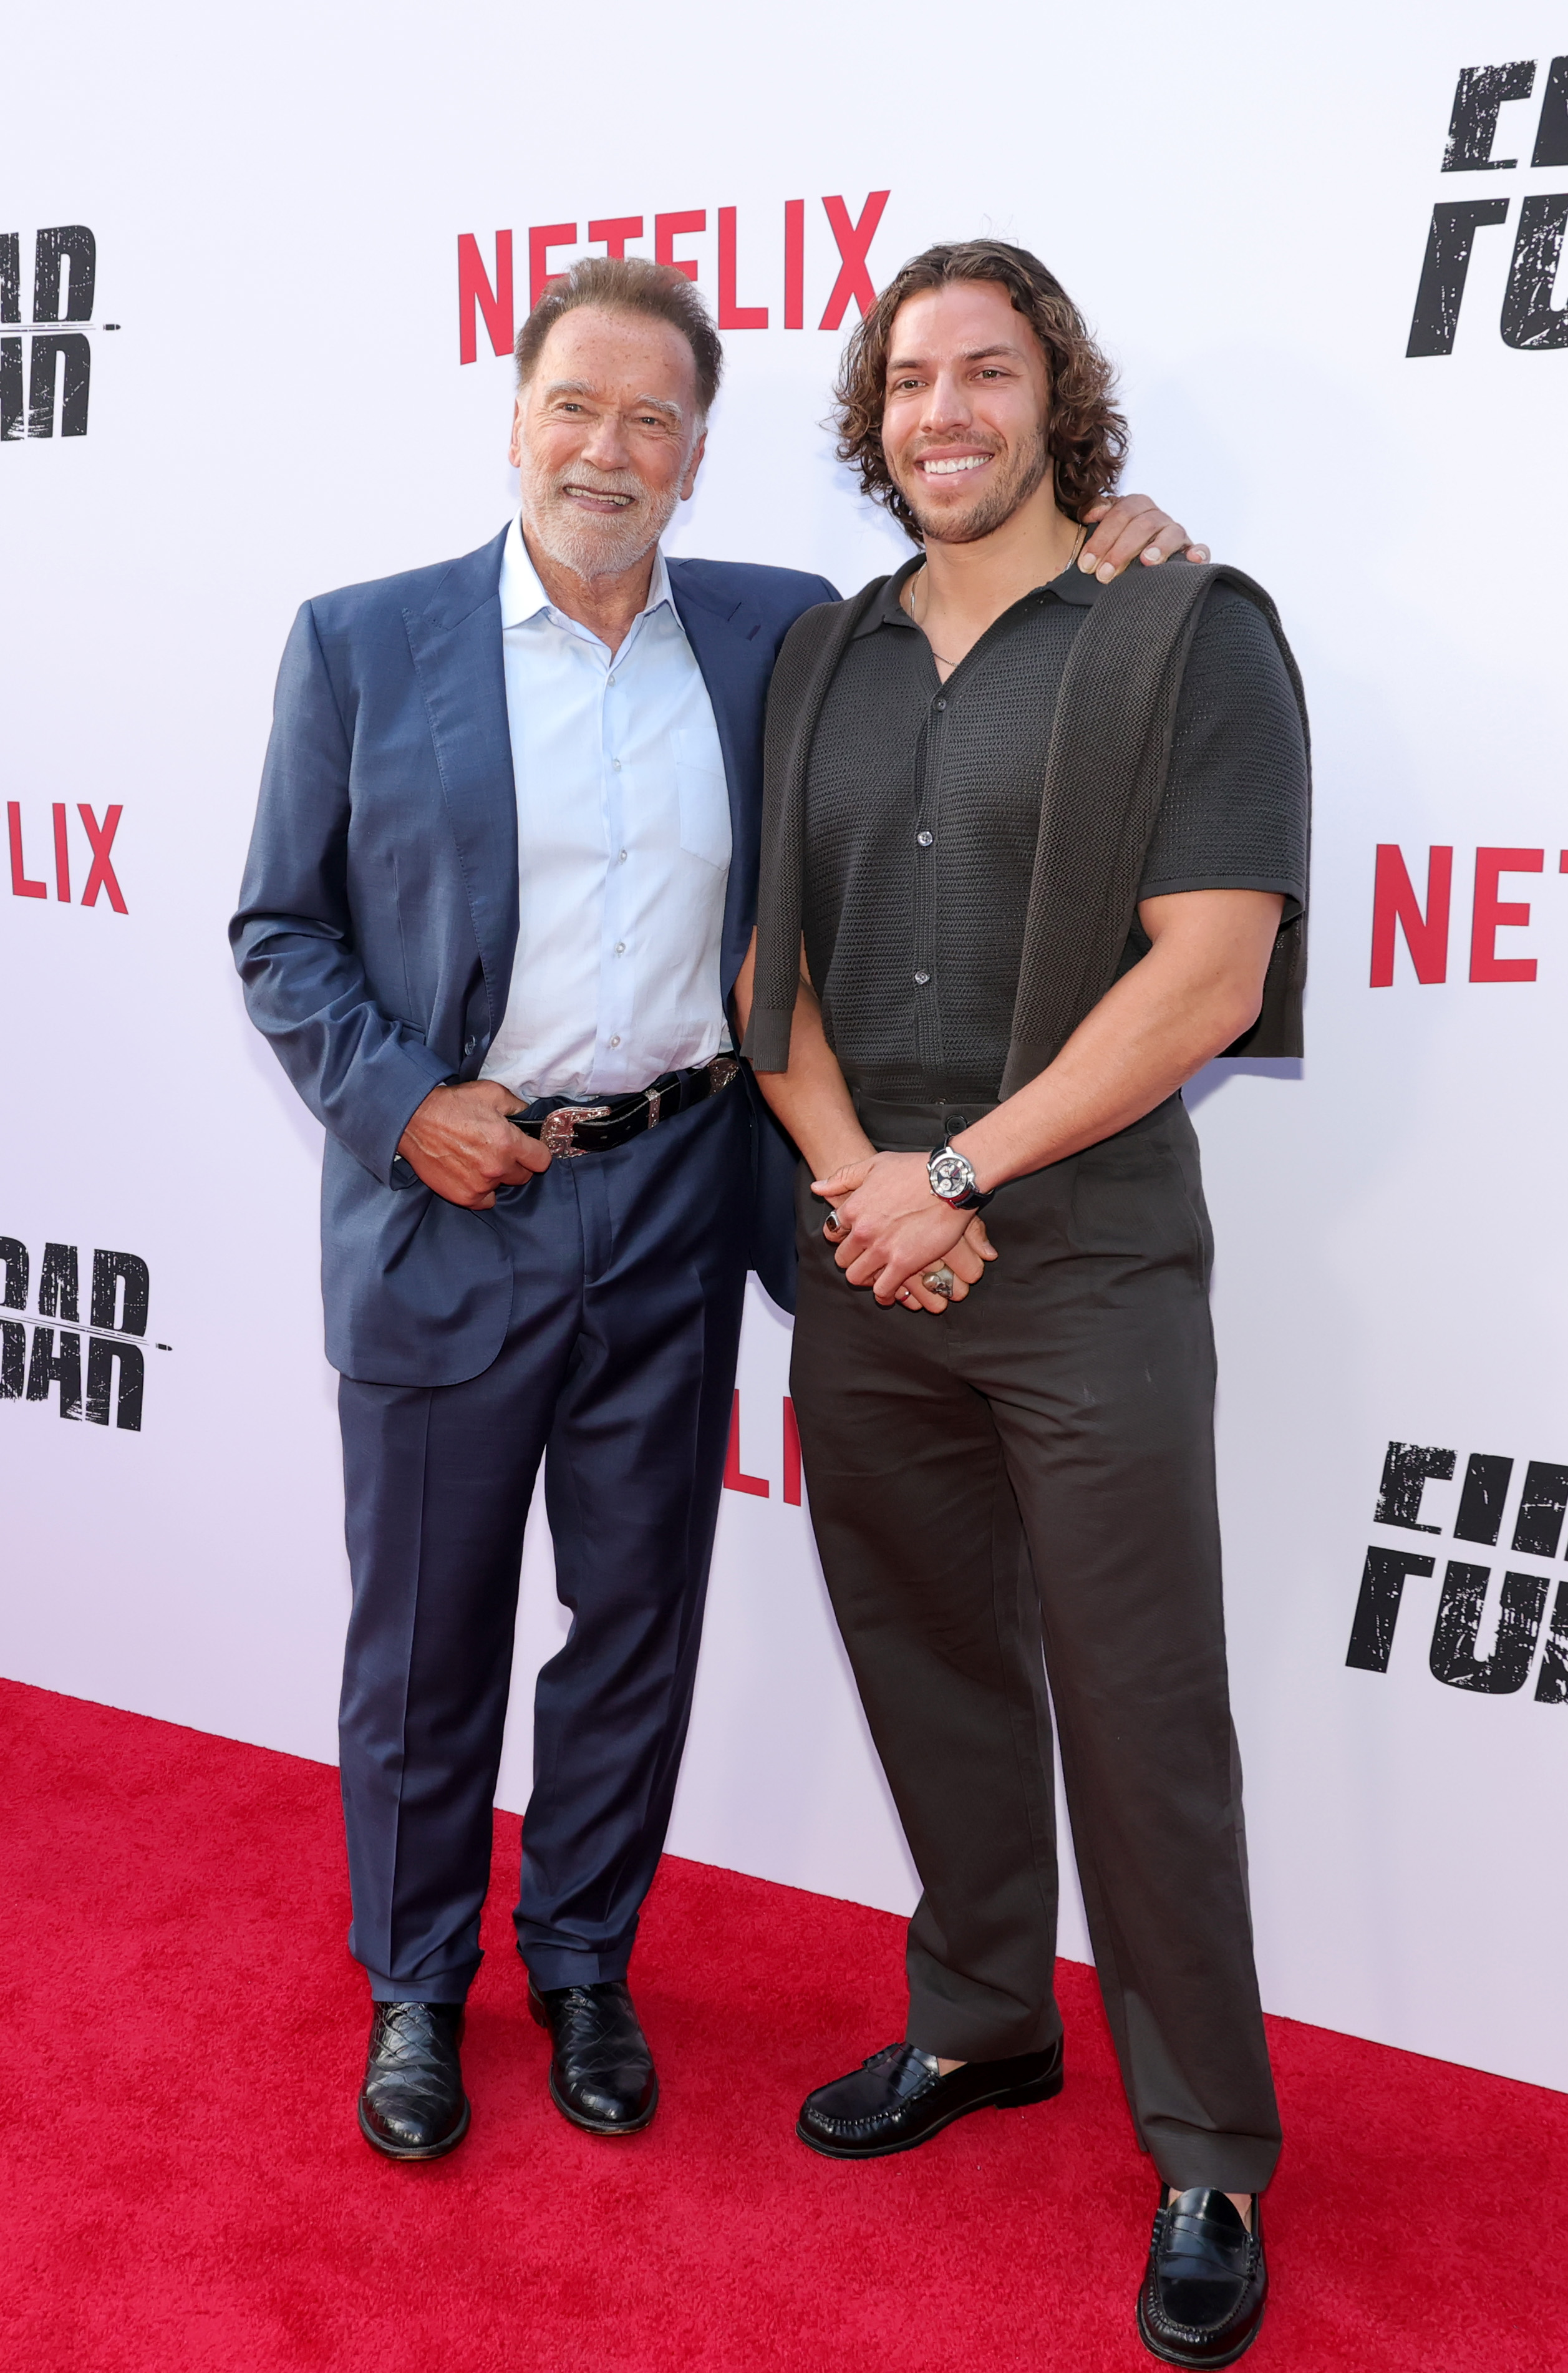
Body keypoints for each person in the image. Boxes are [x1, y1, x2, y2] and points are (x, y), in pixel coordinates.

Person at [231, 254, 1199, 2162]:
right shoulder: (359, 642)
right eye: (574, 408)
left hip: (674, 1200)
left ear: (695, 456)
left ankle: (583, 1963)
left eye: (652, 419)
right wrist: (400, 1102)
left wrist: (1124, 534)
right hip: (448, 1207)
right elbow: (279, 926)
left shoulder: (777, 634)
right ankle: (416, 1988)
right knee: (428, 1636)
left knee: (634, 1622)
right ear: (513, 420)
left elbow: (978, 597)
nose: (609, 448)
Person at [742, 238, 1308, 2367]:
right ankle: (980, 2020)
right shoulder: (819, 649)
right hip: (859, 1243)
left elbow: (1209, 970)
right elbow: (761, 966)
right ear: (870, 419)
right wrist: (861, 1189)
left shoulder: (1185, 626)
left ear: (1057, 399)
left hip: (1078, 1262)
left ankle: (1210, 2156)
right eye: (907, 382)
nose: (942, 414)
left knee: (1140, 1713)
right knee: (926, 1665)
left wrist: (957, 1175)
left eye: (986, 374)